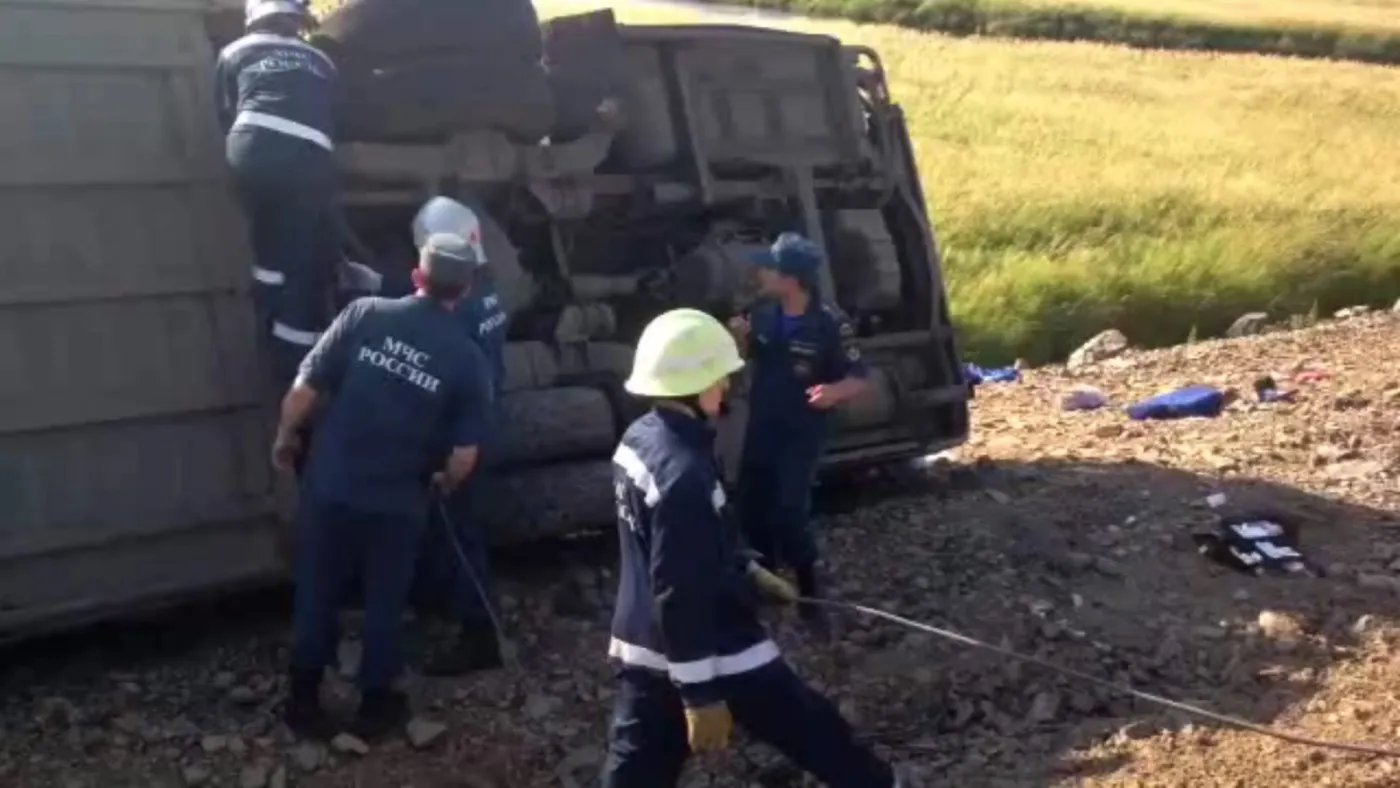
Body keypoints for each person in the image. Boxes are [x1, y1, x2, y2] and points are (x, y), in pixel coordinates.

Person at [601, 308, 904, 788]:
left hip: (646, 646)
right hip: (711, 643)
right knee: (810, 726)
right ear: (696, 386)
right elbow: (677, 589)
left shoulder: (642, 439)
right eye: (720, 379)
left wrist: (746, 567)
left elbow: (680, 542)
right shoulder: (685, 474)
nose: (726, 389)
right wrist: (699, 695)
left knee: (636, 769)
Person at [271, 233, 493, 741]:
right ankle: (375, 706)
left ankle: (303, 701)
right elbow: (464, 455)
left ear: (417, 276)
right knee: (385, 598)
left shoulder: (365, 315)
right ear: (465, 289)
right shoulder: (467, 357)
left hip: (331, 488)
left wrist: (285, 438)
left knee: (318, 590)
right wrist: (443, 481)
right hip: (398, 502)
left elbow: (305, 389)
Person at [730, 232, 869, 630]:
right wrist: (739, 340)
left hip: (800, 433)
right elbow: (745, 360)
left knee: (789, 512)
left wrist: (833, 391)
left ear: (791, 278)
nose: (761, 273)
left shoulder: (829, 323)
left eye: (769, 268)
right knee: (752, 507)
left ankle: (811, 594)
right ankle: (766, 583)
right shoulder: (763, 313)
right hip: (762, 425)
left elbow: (860, 376)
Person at [408, 198, 511, 675]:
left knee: (461, 532)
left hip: (459, 431)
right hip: (485, 419)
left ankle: (481, 636)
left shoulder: (455, 308)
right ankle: (448, 605)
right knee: (460, 527)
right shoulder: (487, 290)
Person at [216, 0, 341, 386]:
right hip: (306, 157)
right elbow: (334, 110)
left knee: (267, 245)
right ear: (295, 21)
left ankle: (264, 313)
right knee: (301, 265)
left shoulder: (232, 51)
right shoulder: (321, 60)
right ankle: (293, 366)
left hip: (249, 149)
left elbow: (224, 108)